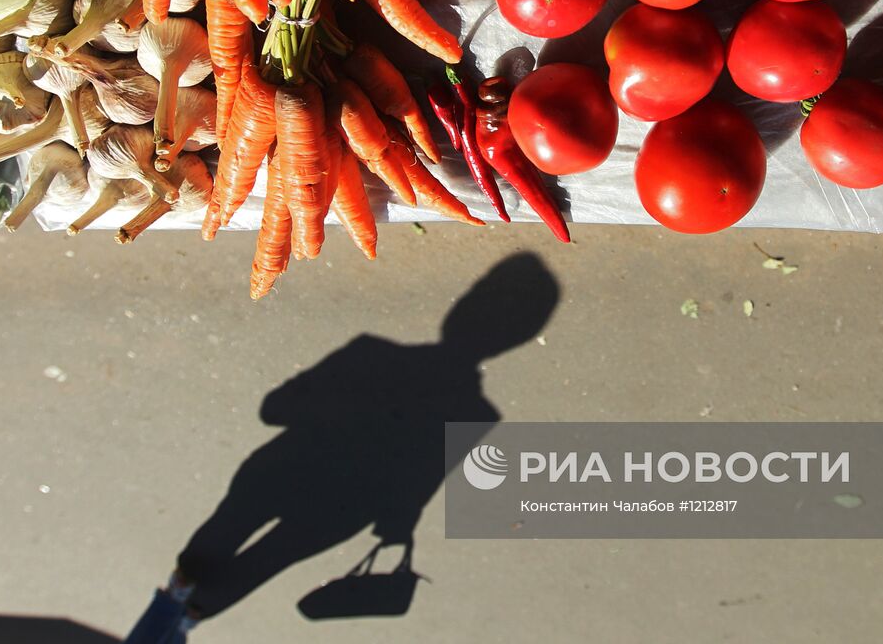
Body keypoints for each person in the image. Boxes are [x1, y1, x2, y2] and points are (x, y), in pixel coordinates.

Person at [124, 253, 558, 641]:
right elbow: (415, 488)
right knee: (266, 562)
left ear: (462, 306)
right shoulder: (475, 415)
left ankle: (178, 598)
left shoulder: (373, 355)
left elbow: (274, 409)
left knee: (224, 531)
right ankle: (187, 615)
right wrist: (396, 521)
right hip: (345, 507)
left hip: (283, 470)